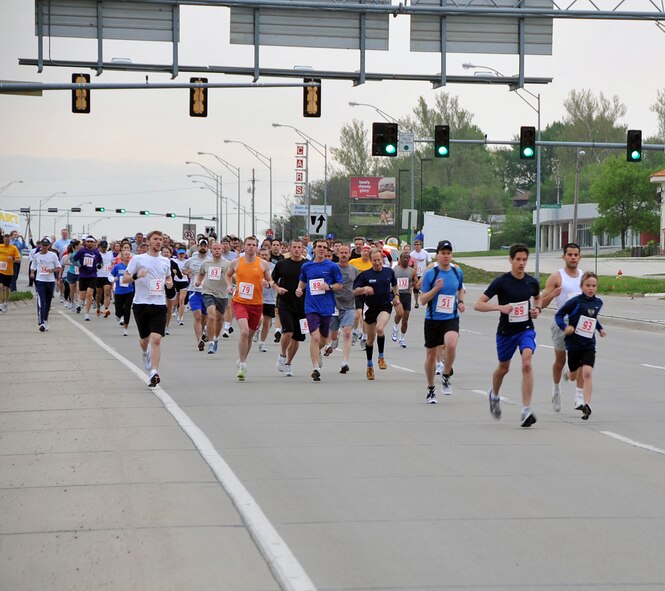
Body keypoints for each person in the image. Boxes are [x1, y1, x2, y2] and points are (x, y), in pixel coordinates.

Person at [474, 243, 543, 427]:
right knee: (503, 368)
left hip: (526, 329)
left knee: (527, 363)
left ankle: (526, 410)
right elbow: (478, 304)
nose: (521, 263)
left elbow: (538, 297)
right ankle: (494, 394)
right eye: (518, 259)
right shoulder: (501, 282)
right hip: (506, 332)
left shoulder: (531, 282)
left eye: (524, 260)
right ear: (510, 260)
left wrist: (537, 309)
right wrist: (499, 307)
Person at [123, 230, 174, 387]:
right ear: (148, 241)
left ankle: (154, 372)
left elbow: (168, 277)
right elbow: (125, 278)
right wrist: (138, 276)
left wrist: (169, 283)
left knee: (156, 339)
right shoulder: (138, 259)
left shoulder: (166, 261)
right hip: (141, 303)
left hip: (159, 304)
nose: (159, 242)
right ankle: (145, 353)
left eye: (161, 239)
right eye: (156, 239)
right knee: (145, 339)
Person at [554, 271, 606, 420]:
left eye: (594, 286)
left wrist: (600, 328)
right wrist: (565, 327)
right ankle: (567, 371)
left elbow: (593, 318)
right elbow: (558, 315)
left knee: (587, 373)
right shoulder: (575, 302)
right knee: (572, 376)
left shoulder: (598, 303)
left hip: (589, 344)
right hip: (573, 344)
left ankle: (586, 404)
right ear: (582, 286)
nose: (591, 288)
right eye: (588, 285)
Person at [418, 240, 465, 404]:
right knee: (431, 356)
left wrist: (460, 302)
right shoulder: (431, 274)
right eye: (443, 253)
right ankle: (431, 389)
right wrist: (435, 289)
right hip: (432, 319)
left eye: (448, 253)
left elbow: (460, 289)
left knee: (451, 344)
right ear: (437, 255)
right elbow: (422, 300)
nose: (446, 256)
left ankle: (446, 374)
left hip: (451, 318)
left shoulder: (457, 272)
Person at [540, 242, 584, 412]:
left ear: (580, 257)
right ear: (564, 256)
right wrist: (553, 294)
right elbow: (541, 304)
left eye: (576, 255)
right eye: (570, 255)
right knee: (560, 361)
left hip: (579, 325)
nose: (573, 258)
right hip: (561, 323)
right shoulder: (556, 277)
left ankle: (579, 398)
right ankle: (556, 390)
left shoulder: (583, 276)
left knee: (580, 362)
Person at [226, 236, 273, 381]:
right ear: (244, 247)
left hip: (256, 303)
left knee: (251, 335)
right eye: (249, 245)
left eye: (254, 245)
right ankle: (243, 364)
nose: (251, 247)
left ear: (257, 248)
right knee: (244, 331)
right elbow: (227, 275)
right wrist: (229, 286)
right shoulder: (236, 262)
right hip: (240, 302)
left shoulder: (263, 264)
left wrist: (268, 283)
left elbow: (270, 280)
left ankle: (242, 359)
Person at [295, 239, 343, 381]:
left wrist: (329, 287)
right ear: (313, 249)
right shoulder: (306, 266)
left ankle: (318, 353)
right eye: (319, 247)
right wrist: (299, 289)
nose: (321, 249)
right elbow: (303, 281)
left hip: (327, 307)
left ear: (327, 251)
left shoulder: (332, 266)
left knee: (322, 339)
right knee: (315, 337)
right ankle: (315, 368)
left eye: (324, 247)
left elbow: (340, 285)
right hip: (311, 306)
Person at [353, 248, 401, 381]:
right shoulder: (365, 275)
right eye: (374, 261)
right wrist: (364, 289)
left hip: (385, 306)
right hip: (370, 309)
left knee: (380, 328)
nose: (377, 263)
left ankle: (381, 357)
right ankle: (369, 365)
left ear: (382, 259)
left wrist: (396, 296)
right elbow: (355, 291)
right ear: (371, 261)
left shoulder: (389, 272)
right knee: (370, 339)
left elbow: (395, 285)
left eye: (379, 260)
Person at [272, 239, 307, 377]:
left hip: (302, 305)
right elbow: (272, 280)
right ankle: (282, 354)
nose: (297, 250)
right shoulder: (282, 264)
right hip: (285, 302)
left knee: (297, 338)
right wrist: (277, 288)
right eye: (294, 247)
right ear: (289, 249)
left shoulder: (307, 265)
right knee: (288, 332)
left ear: (302, 249)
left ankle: (288, 363)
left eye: (299, 247)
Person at [195, 241, 231, 354]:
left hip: (222, 294)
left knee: (219, 319)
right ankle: (210, 343)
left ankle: (216, 338)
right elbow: (201, 273)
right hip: (208, 292)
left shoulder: (227, 264)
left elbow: (229, 276)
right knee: (211, 316)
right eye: (214, 249)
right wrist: (199, 281)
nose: (216, 250)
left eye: (218, 249)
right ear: (211, 250)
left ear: (222, 250)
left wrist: (230, 286)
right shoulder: (206, 263)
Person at [328, 243, 358, 374]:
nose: (344, 255)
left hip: (349, 305)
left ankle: (345, 362)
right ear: (337, 254)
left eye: (346, 252)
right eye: (342, 252)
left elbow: (358, 286)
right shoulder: (332, 268)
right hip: (334, 305)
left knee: (347, 332)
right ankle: (334, 338)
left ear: (350, 254)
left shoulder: (354, 270)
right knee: (333, 335)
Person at [183, 239, 210, 351]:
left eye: (205, 245)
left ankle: (203, 330)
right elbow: (184, 270)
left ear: (208, 247)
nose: (203, 247)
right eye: (201, 245)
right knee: (197, 316)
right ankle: (199, 340)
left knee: (204, 318)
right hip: (194, 291)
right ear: (197, 247)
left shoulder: (211, 260)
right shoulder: (191, 260)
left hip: (207, 292)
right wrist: (187, 272)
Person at [31, 237, 62, 331]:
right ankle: (42, 323)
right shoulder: (37, 256)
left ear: (49, 246)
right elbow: (33, 266)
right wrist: (32, 273)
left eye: (46, 245)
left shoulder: (53, 255)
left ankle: (45, 320)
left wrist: (51, 270)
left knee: (48, 304)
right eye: (43, 245)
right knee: (42, 302)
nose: (44, 247)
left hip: (50, 281)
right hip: (40, 281)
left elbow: (59, 267)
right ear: (40, 245)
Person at [392, 250, 420, 348]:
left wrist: (417, 286)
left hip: (407, 295)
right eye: (403, 258)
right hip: (397, 294)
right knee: (400, 313)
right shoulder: (395, 269)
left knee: (405, 320)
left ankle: (402, 338)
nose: (405, 259)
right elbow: (390, 282)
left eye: (407, 258)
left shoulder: (412, 271)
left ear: (409, 260)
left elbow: (416, 283)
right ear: (400, 259)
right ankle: (395, 327)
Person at [72, 236, 103, 321]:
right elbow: (73, 260)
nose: (89, 243)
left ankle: (87, 313)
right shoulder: (82, 251)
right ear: (85, 243)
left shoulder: (96, 252)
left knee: (89, 294)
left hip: (92, 275)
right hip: (83, 275)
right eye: (88, 241)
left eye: (91, 241)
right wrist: (80, 266)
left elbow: (101, 262)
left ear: (94, 243)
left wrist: (99, 266)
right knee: (82, 295)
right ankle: (81, 302)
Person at [350, 243, 373, 347]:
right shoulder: (354, 262)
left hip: (368, 293)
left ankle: (364, 336)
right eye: (364, 251)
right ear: (361, 252)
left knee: (365, 316)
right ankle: (355, 331)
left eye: (368, 251)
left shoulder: (372, 264)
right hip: (357, 291)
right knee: (357, 314)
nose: (366, 253)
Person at [110, 249, 134, 336]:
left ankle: (125, 328)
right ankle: (119, 316)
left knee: (127, 309)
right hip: (119, 292)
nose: (128, 256)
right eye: (125, 255)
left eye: (129, 254)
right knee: (118, 311)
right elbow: (110, 275)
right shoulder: (117, 266)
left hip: (129, 291)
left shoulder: (132, 267)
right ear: (122, 257)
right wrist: (113, 279)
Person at [0, 232, 21, 312]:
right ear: (3, 240)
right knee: (0, 287)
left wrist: (12, 259)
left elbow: (19, 260)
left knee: (7, 288)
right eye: (6, 241)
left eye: (8, 241)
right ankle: (1, 304)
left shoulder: (13, 248)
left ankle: (6, 302)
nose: (7, 243)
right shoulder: (0, 247)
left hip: (9, 271)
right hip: (0, 270)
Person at [95, 239, 114, 317]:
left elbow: (112, 263)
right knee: (98, 294)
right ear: (99, 247)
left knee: (107, 293)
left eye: (105, 247)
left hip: (107, 276)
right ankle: (98, 307)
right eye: (102, 247)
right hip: (98, 276)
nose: (104, 249)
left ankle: (106, 309)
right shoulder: (96, 254)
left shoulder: (110, 254)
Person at [409, 239, 430, 308]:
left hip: (423, 273)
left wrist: (428, 269)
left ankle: (424, 300)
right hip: (415, 273)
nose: (416, 246)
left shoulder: (425, 253)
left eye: (418, 244)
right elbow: (409, 264)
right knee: (415, 288)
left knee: (423, 288)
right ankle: (416, 302)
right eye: (415, 245)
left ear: (421, 245)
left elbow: (429, 262)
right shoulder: (412, 254)